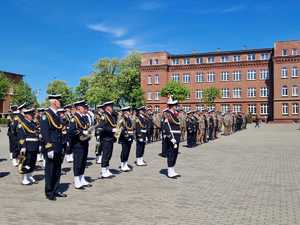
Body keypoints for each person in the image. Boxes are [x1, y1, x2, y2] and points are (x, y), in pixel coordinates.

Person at [40, 94, 67, 201]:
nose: (60, 103)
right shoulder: (46, 115)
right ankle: (49, 192)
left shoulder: (56, 115)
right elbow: (45, 132)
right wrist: (49, 147)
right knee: (50, 170)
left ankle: (56, 189)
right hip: (51, 146)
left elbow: (59, 130)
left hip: (59, 145)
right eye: (59, 101)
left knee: (57, 169)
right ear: (54, 102)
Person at [69, 100, 92, 189]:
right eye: (83, 107)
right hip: (77, 143)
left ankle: (82, 178)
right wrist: (82, 131)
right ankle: (76, 180)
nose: (85, 108)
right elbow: (71, 131)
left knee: (83, 162)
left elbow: (87, 127)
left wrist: (88, 134)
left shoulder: (84, 117)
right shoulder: (74, 118)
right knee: (78, 162)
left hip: (84, 142)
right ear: (79, 108)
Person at [17, 108, 39, 185]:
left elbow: (36, 134)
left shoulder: (32, 123)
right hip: (28, 146)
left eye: (32, 115)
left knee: (33, 162)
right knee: (26, 162)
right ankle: (24, 178)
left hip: (34, 145)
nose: (32, 116)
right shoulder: (22, 124)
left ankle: (30, 175)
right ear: (26, 115)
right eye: (30, 115)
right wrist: (23, 147)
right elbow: (21, 136)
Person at [98, 101, 118, 178]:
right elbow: (101, 127)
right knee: (105, 154)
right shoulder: (104, 116)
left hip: (110, 138)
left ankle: (107, 169)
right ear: (107, 108)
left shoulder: (111, 115)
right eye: (111, 107)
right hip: (105, 138)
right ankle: (103, 171)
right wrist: (112, 130)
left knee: (109, 154)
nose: (112, 108)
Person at [163, 96, 181, 178]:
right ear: (171, 106)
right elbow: (166, 127)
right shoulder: (167, 114)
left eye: (176, 105)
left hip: (176, 136)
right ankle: (169, 171)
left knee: (175, 154)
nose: (176, 107)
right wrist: (171, 138)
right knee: (170, 154)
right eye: (174, 105)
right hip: (172, 137)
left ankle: (173, 169)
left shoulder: (174, 114)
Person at [117, 106, 134, 172]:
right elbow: (121, 128)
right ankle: (122, 164)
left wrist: (131, 136)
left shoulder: (129, 119)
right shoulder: (122, 119)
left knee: (128, 151)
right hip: (124, 138)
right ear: (125, 112)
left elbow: (131, 127)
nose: (129, 113)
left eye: (129, 111)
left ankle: (125, 163)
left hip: (129, 137)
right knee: (124, 151)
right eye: (128, 111)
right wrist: (127, 136)